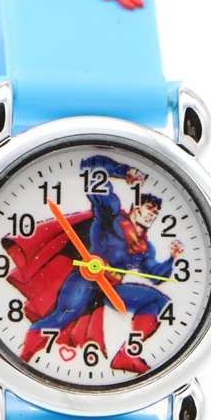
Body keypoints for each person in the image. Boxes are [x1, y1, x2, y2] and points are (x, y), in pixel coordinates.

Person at [18, 159, 183, 374]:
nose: (152, 214)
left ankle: (127, 355)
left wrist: (172, 258)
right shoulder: (112, 217)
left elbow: (156, 276)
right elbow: (90, 169)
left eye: (156, 212)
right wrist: (123, 171)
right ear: (136, 207)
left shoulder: (144, 248)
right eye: (149, 208)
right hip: (85, 278)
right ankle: (21, 361)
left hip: (110, 288)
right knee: (63, 315)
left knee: (158, 301)